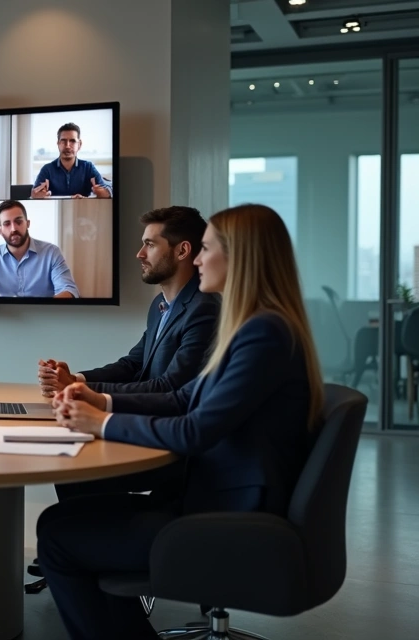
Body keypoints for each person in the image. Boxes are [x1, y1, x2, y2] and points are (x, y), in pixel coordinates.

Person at [37, 204, 324, 640]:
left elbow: (195, 428)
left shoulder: (264, 333)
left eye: (206, 249)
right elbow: (182, 396)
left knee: (58, 535)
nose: (199, 259)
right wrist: (99, 400)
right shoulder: (253, 327)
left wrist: (101, 424)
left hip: (231, 517)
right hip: (213, 499)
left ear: (239, 258)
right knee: (67, 519)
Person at [38, 206, 218, 397]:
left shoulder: (204, 309)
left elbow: (169, 387)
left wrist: (77, 389)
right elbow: (132, 365)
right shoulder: (161, 304)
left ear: (182, 250)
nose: (140, 254)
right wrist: (75, 379)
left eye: (150, 244)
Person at [0, 200, 78, 298]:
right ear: (0, 231)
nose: (13, 228)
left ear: (27, 224)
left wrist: (46, 307)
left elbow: (69, 289)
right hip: (6, 319)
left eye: (18, 221)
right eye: (7, 224)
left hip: (44, 317)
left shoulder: (51, 252)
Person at [30, 123, 112, 199]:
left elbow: (107, 192)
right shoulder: (47, 170)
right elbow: (34, 194)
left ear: (79, 144)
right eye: (63, 141)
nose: (67, 146)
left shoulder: (88, 167)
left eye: (72, 141)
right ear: (58, 143)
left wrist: (102, 193)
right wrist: (35, 196)